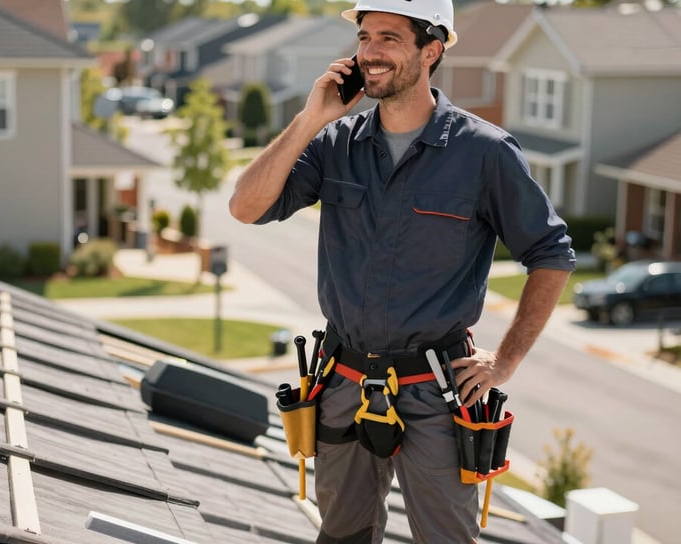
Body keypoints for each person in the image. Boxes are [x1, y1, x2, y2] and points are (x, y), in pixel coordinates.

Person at [229, 0, 576, 541]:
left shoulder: (483, 153)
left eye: (388, 38)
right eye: (364, 37)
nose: (369, 52)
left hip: (437, 393)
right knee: (341, 535)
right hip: (342, 383)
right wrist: (311, 118)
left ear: (431, 49)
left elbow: (551, 254)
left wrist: (505, 361)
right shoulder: (335, 144)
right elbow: (245, 207)